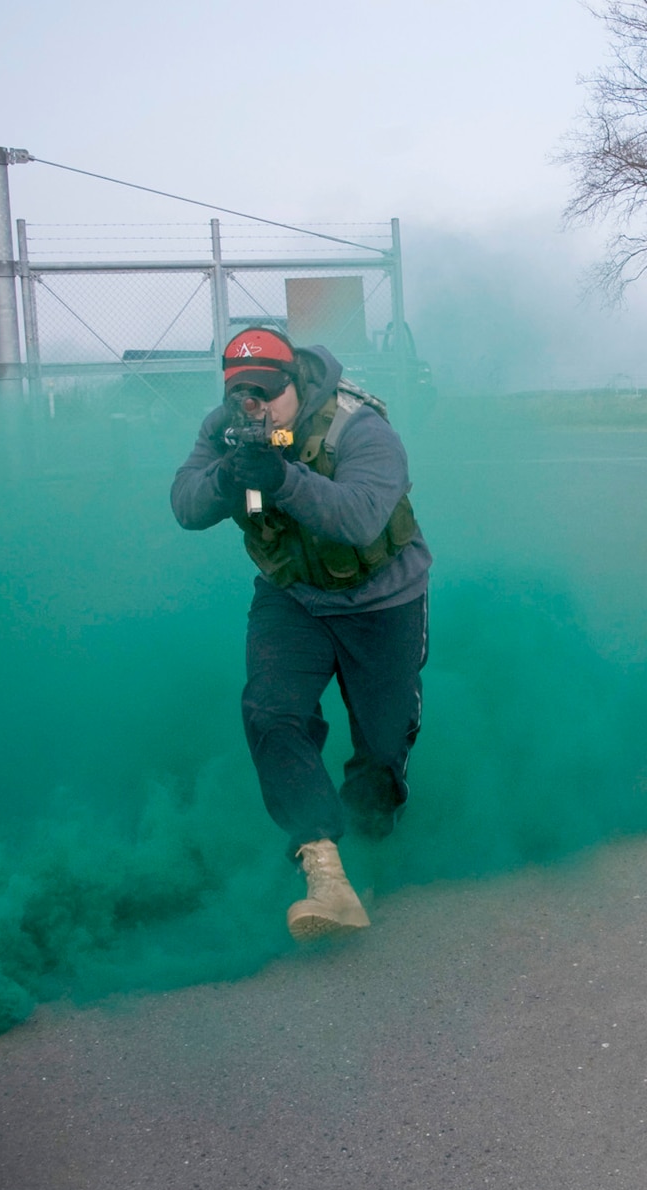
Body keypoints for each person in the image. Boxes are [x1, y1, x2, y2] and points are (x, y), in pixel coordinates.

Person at [171, 327, 430, 941]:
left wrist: (283, 479)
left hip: (383, 602)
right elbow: (185, 505)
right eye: (240, 394)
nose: (253, 407)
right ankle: (324, 869)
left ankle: (370, 844)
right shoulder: (223, 431)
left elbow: (362, 518)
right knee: (270, 712)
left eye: (264, 392)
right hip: (293, 599)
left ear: (296, 384)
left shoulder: (358, 427)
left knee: (383, 753)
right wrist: (229, 476)